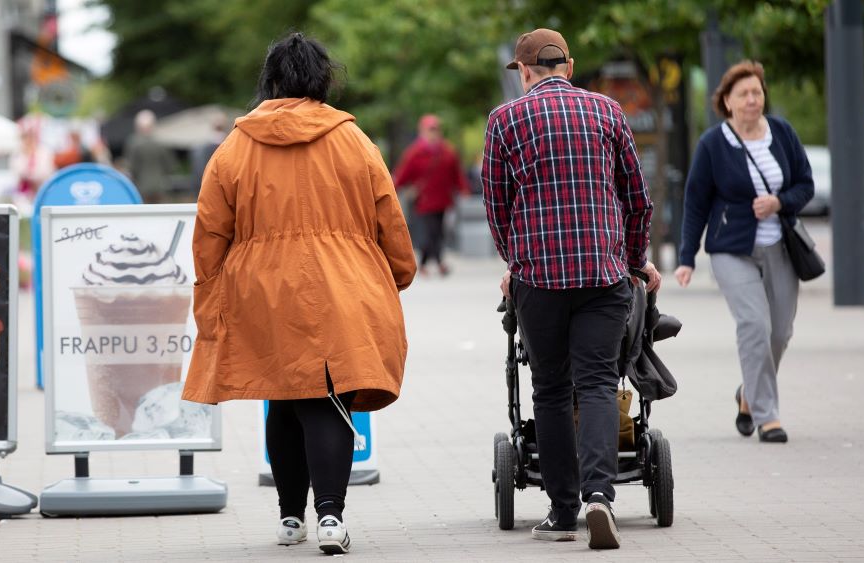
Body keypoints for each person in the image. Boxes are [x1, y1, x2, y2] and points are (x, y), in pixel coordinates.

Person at [181, 32, 416, 554]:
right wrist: (398, 273)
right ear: (322, 80)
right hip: (342, 285)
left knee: (283, 400)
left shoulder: (234, 148)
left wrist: (212, 298)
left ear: (270, 81)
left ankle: (291, 518)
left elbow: (209, 234)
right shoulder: (353, 141)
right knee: (327, 398)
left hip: (261, 291)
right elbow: (389, 216)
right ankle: (330, 517)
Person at [482, 28, 660, 550]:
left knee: (551, 388)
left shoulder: (504, 120)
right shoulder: (608, 112)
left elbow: (497, 207)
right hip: (604, 275)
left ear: (524, 71)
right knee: (599, 382)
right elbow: (638, 198)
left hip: (538, 278)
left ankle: (562, 513)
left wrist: (514, 260)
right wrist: (634, 261)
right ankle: (600, 494)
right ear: (570, 66)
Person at [674, 60, 813, 444]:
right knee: (754, 325)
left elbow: (806, 185)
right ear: (727, 102)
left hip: (780, 246)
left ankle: (749, 395)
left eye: (757, 92)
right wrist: (687, 257)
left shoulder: (782, 133)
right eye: (744, 94)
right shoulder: (713, 144)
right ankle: (768, 417)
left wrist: (779, 202)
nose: (753, 99)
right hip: (731, 250)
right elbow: (696, 203)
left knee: (780, 332)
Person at [392, 114, 468, 276]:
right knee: (427, 233)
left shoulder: (447, 152)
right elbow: (403, 174)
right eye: (430, 130)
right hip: (423, 201)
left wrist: (463, 189)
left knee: (438, 232)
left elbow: (457, 174)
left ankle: (428, 263)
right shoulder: (415, 153)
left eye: (435, 129)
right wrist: (391, 189)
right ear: (422, 131)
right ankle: (436, 263)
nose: (433, 133)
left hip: (442, 200)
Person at [123, 109, 176, 203]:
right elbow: (170, 166)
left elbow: (132, 167)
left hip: (141, 188)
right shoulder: (162, 142)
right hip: (161, 187)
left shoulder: (133, 143)